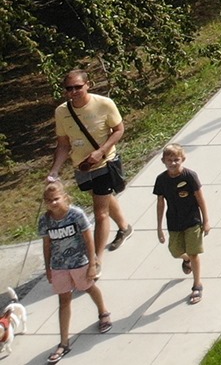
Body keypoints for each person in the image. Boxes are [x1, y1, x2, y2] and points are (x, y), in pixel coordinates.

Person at [49, 72, 130, 257]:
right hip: (82, 166)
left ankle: (96, 259)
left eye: (78, 87)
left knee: (100, 213)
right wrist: (54, 171)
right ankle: (125, 227)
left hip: (104, 163)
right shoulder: (61, 112)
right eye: (69, 88)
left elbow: (119, 130)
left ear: (88, 84)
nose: (74, 91)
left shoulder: (104, 104)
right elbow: (63, 144)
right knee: (104, 198)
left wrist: (101, 151)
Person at [39, 178, 109, 357]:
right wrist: (48, 268)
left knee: (89, 287)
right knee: (64, 300)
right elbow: (47, 245)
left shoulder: (76, 214)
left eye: (56, 198)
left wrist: (92, 263)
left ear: (64, 197)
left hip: (80, 261)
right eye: (49, 200)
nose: (53, 203)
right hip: (59, 265)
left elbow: (88, 238)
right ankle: (64, 342)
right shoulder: (45, 220)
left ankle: (103, 312)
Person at [152, 143, 209, 305]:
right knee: (175, 251)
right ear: (163, 161)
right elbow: (160, 203)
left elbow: (200, 198)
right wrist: (159, 228)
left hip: (192, 220)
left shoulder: (189, 176)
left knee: (193, 252)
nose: (173, 163)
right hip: (174, 221)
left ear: (183, 159)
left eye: (176, 159)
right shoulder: (161, 180)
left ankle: (197, 285)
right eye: (169, 160)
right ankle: (186, 259)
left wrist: (206, 220)